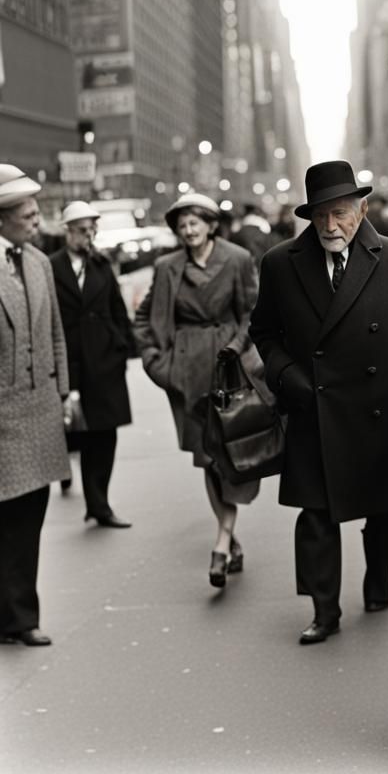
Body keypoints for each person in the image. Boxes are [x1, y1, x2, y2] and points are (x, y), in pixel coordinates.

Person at [249, 161, 388, 645]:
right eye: (322, 216)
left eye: (342, 214)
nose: (331, 227)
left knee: (386, 506)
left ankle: (377, 582)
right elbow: (264, 333)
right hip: (315, 407)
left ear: (362, 208)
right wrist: (289, 379)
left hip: (382, 406)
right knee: (314, 516)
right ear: (309, 216)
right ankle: (323, 610)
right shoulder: (279, 264)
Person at [134, 193, 260, 588]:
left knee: (231, 456)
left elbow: (253, 312)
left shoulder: (237, 259)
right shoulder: (167, 267)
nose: (188, 231)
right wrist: (158, 363)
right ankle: (228, 537)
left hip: (230, 369)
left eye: (194, 223)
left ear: (210, 223)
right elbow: (144, 317)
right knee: (208, 458)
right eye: (181, 225)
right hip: (186, 376)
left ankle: (222, 543)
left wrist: (237, 348)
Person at [0, 164, 70, 646]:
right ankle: (12, 617)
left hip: (41, 408)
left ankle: (22, 617)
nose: (35, 218)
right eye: (26, 212)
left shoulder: (40, 262)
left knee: (30, 516)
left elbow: (55, 334)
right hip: (2, 414)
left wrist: (64, 391)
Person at [49, 201, 134, 528]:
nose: (89, 236)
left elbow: (116, 307)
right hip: (69, 358)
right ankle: (71, 477)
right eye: (82, 230)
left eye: (92, 229)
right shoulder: (51, 266)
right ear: (67, 232)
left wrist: (121, 346)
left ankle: (99, 504)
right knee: (74, 430)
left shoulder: (101, 264)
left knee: (104, 434)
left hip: (103, 360)